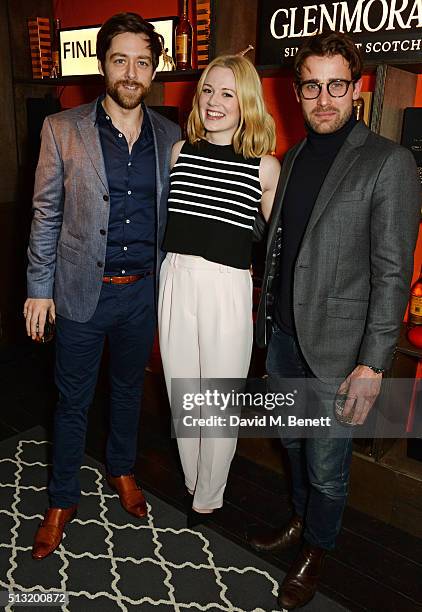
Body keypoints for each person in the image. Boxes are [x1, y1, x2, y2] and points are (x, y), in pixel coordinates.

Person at [247, 31, 421, 610]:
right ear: (297, 92)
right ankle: (301, 522)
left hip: (341, 351)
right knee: (294, 447)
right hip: (284, 343)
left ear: (358, 88)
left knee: (327, 465)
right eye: (313, 86)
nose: (325, 98)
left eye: (337, 85)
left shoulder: (387, 161)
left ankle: (317, 548)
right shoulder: (292, 157)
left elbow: (393, 272)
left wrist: (374, 362)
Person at [24, 12, 181, 560]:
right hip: (79, 293)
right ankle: (62, 499)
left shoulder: (171, 134)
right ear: (102, 65)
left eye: (142, 61)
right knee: (71, 400)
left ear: (154, 68)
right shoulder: (61, 129)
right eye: (121, 60)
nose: (131, 73)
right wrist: (38, 288)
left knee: (128, 391)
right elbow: (45, 214)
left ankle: (122, 469)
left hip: (142, 293)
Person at [158, 54, 280, 527]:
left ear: (246, 101)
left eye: (227, 93)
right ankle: (193, 481)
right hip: (176, 278)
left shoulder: (264, 168)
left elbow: (277, 245)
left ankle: (209, 496)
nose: (214, 102)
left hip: (227, 287)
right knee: (181, 393)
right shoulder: (179, 153)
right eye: (208, 90)